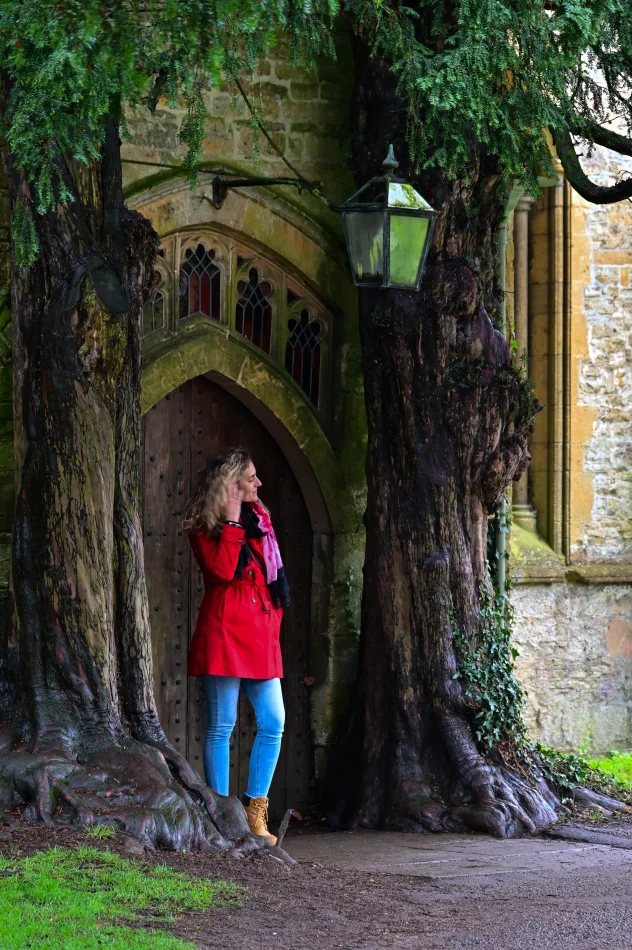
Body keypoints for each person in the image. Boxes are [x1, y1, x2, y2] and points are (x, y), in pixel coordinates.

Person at [184, 447, 290, 844]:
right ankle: (221, 813)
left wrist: (274, 619)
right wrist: (230, 521)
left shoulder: (261, 520)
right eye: (251, 478)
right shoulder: (204, 525)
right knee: (222, 725)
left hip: (260, 631)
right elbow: (220, 572)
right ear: (231, 484)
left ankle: (254, 810)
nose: (258, 484)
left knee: (274, 721)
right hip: (226, 629)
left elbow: (271, 577)